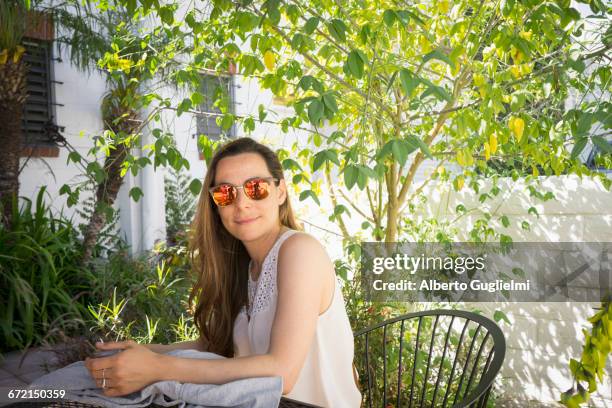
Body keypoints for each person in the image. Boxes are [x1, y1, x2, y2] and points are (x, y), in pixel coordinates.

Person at [84, 137, 362, 407]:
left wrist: (158, 367)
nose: (241, 203)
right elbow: (214, 348)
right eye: (225, 192)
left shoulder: (300, 251)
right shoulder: (245, 265)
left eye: (256, 188)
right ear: (215, 205)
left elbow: (282, 372)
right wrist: (139, 352)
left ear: (280, 191)